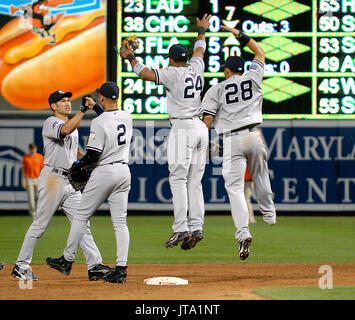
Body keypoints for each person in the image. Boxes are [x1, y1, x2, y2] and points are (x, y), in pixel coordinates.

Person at [120, 14, 211, 251]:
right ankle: (197, 226)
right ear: (186, 58)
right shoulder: (196, 67)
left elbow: (145, 73)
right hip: (201, 128)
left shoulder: (173, 72)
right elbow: (200, 50)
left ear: (171, 59)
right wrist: (201, 30)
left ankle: (181, 227)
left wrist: (129, 56)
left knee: (178, 179)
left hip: (183, 128)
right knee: (195, 182)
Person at [11, 90, 111, 282]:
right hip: (53, 179)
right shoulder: (51, 122)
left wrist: (94, 160)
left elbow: (77, 152)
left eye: (68, 100)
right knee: (40, 224)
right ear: (53, 106)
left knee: (82, 223)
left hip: (70, 182)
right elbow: (64, 130)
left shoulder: (72, 126)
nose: (67, 103)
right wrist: (82, 111)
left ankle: (95, 265)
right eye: (62, 101)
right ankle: (21, 265)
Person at [202, 25, 276, 261]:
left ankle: (243, 232)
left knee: (234, 189)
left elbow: (208, 120)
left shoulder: (216, 88)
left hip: (231, 139)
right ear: (242, 70)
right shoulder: (253, 76)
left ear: (226, 71)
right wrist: (238, 34)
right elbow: (260, 53)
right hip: (253, 134)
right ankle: (269, 213)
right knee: (260, 175)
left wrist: (205, 142)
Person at [46, 82, 132, 283]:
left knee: (81, 216)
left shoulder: (99, 123)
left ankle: (66, 260)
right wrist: (95, 108)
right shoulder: (127, 117)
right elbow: (110, 118)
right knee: (120, 222)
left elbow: (93, 154)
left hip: (106, 171)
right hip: (124, 171)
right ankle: (121, 269)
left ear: (102, 97)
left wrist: (78, 165)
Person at [22, 143, 44, 219]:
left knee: (38, 196)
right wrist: (24, 180)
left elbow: (42, 169)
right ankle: (33, 214)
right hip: (29, 179)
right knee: (31, 198)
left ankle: (38, 212)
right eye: (32, 148)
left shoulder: (40, 157)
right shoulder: (26, 157)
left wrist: (43, 179)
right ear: (30, 149)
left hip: (38, 178)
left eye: (34, 148)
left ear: (36, 149)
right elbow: (24, 169)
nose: (33, 150)